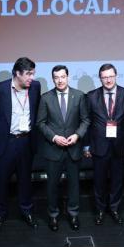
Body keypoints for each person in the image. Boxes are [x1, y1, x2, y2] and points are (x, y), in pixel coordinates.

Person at [0, 57, 41, 231]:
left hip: (26, 141)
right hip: (5, 143)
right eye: (28, 74)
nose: (32, 77)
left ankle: (27, 211)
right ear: (17, 73)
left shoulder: (35, 87)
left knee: (25, 180)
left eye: (33, 73)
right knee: (1, 181)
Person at [36, 65, 90, 231]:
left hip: (74, 149)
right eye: (56, 77)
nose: (60, 80)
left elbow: (85, 120)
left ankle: (73, 214)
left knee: (74, 185)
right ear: (53, 79)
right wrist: (54, 137)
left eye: (62, 77)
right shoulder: (45, 98)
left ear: (68, 77)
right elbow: (40, 123)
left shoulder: (79, 96)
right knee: (52, 186)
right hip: (53, 150)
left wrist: (77, 135)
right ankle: (53, 215)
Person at [85, 63, 124, 225]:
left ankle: (114, 209)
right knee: (99, 181)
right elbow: (86, 122)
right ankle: (100, 210)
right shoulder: (91, 96)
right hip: (98, 146)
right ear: (100, 78)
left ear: (116, 76)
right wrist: (86, 146)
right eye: (104, 77)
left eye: (111, 76)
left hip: (120, 146)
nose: (108, 80)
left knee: (117, 181)